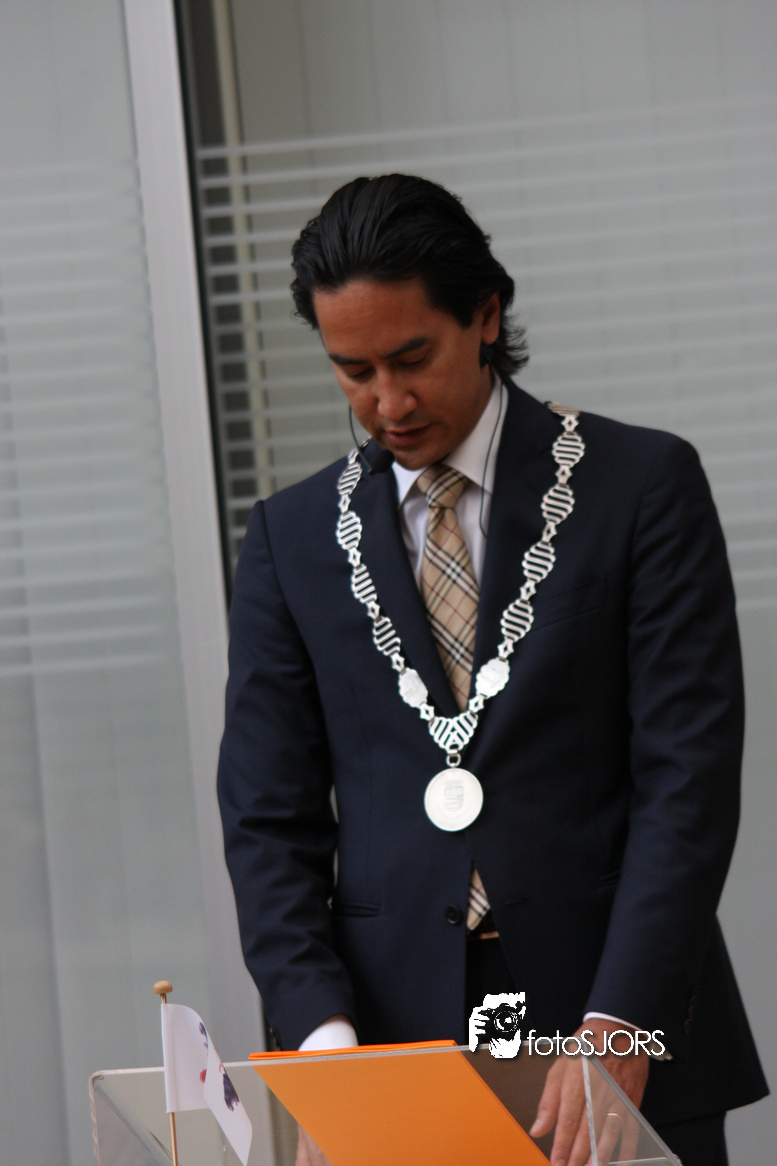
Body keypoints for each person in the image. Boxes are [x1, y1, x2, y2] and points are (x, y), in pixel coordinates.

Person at [217, 174, 767, 1166]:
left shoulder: (640, 486)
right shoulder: (288, 540)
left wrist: (622, 1024)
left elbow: (687, 777)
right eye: (351, 370)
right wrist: (324, 1048)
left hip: (611, 1014)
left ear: (484, 314)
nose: (387, 402)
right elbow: (268, 819)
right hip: (394, 1045)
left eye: (410, 358)